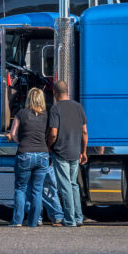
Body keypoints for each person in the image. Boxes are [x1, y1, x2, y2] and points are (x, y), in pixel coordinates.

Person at [6, 88, 51, 227]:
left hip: (25, 154)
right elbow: (49, 134)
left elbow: (13, 134)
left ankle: (17, 221)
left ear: (29, 99)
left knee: (21, 188)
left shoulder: (21, 113)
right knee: (37, 190)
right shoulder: (46, 115)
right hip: (43, 155)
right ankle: (33, 222)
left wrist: (22, 142)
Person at [47, 80, 88, 227]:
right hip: (75, 151)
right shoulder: (78, 107)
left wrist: (48, 146)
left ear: (55, 93)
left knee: (65, 186)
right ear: (68, 91)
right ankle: (78, 218)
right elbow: (84, 131)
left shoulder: (55, 108)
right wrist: (83, 151)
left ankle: (70, 220)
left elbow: (53, 133)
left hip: (60, 152)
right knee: (73, 185)